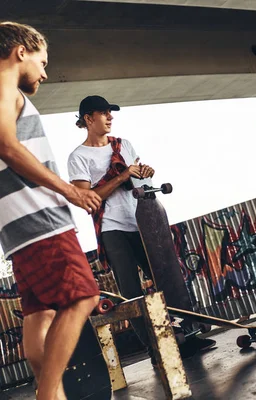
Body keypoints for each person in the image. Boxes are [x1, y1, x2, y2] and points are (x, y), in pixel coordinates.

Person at [67, 95, 215, 362]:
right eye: (104, 113)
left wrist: (146, 172)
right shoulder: (79, 157)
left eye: (111, 113)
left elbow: (140, 180)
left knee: (167, 280)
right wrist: (124, 175)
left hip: (142, 221)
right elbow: (86, 199)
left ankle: (190, 336)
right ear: (88, 119)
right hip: (113, 230)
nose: (110, 117)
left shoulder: (124, 145)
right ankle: (155, 348)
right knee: (131, 294)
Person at [0, 22, 102, 400]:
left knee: (40, 318)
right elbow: (6, 146)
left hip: (17, 230)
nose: (45, 72)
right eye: (43, 62)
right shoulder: (4, 86)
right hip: (41, 221)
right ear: (20, 51)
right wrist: (70, 193)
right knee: (82, 298)